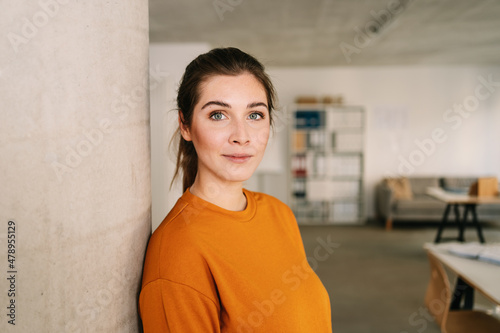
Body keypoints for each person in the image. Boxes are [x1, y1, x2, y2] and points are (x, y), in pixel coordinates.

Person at [139, 47, 332, 332]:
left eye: (255, 115)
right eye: (218, 115)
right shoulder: (177, 252)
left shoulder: (279, 214)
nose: (242, 136)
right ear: (185, 125)